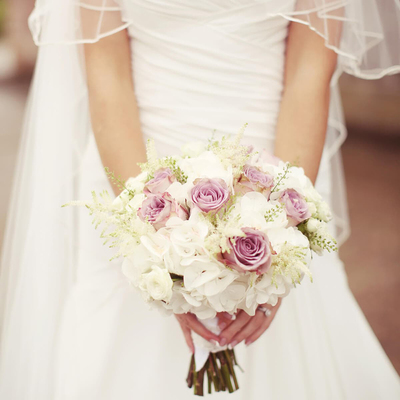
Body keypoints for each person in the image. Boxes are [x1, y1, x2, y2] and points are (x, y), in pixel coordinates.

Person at [0, 1, 400, 399]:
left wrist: (278, 240)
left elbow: (308, 75)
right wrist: (153, 244)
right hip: (130, 168)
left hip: (277, 166)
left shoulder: (281, 198)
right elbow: (107, 77)